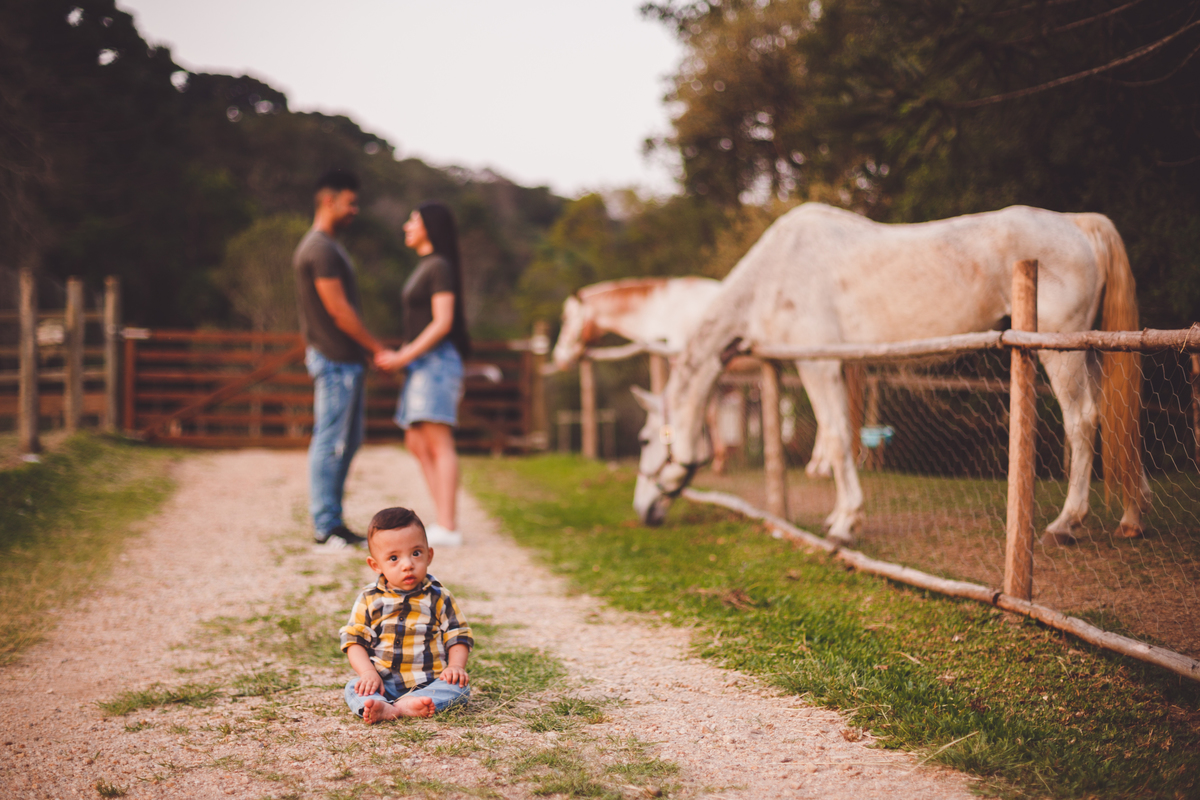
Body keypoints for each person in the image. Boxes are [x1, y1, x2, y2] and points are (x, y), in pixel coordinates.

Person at [293, 168, 385, 551]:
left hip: (344, 361)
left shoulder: (329, 246)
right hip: (335, 361)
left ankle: (333, 521)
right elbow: (339, 311)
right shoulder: (320, 249)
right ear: (328, 200)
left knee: (347, 442)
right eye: (351, 202)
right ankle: (325, 525)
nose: (355, 210)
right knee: (331, 441)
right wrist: (377, 348)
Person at [375, 203, 471, 548]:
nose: (406, 226)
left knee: (437, 441)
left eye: (412, 221)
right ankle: (443, 520)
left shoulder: (439, 266)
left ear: (430, 227)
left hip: (436, 363)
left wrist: (403, 356)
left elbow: (442, 322)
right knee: (417, 442)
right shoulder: (428, 266)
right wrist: (404, 358)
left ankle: (448, 525)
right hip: (421, 365)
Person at [339, 506, 473, 723]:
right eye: (393, 558)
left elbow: (457, 634)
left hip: (430, 681)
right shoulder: (369, 598)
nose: (408, 565)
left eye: (416, 553)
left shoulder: (439, 597)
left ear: (429, 555)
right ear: (375, 565)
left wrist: (455, 667)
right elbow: (354, 640)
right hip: (382, 682)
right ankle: (380, 704)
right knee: (353, 687)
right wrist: (367, 673)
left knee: (459, 688)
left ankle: (404, 705)